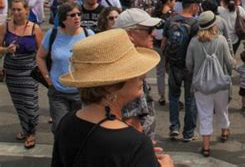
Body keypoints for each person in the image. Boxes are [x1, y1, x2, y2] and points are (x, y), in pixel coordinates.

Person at [51, 29, 173, 167]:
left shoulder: (67, 122)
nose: (143, 76)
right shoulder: (134, 143)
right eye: (133, 71)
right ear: (110, 87)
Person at [36, 2, 94, 133]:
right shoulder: (52, 34)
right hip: (58, 92)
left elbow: (97, 60)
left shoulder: (88, 34)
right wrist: (47, 78)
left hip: (82, 93)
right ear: (63, 19)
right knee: (59, 128)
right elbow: (40, 57)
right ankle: (61, 153)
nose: (77, 17)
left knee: (80, 129)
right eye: (72, 15)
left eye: (79, 14)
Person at [186, 11, 233, 157]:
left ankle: (206, 147)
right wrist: (229, 75)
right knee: (222, 109)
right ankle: (224, 131)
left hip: (201, 85)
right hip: (220, 84)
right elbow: (229, 62)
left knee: (205, 114)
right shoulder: (222, 40)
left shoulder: (194, 42)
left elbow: (188, 64)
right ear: (215, 24)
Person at [0, 0, 43, 149]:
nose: (16, 13)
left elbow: (41, 52)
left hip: (29, 72)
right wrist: (6, 50)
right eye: (14, 10)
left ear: (27, 11)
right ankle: (25, 129)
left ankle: (31, 132)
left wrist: (43, 71)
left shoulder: (34, 28)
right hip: (11, 72)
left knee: (30, 104)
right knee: (19, 104)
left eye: (19, 10)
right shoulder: (5, 27)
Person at [116, 8, 162, 141]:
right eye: (148, 30)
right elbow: (131, 121)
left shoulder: (130, 62)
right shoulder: (128, 69)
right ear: (130, 34)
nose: (153, 33)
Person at [161, 0, 201, 142]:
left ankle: (174, 127)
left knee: (173, 96)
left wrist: (166, 62)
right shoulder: (195, 24)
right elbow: (197, 48)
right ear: (193, 6)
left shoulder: (171, 20)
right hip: (190, 67)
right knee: (190, 99)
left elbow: (164, 43)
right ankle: (189, 133)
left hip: (173, 65)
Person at [153, 0, 176, 106]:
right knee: (171, 71)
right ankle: (173, 96)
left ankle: (161, 96)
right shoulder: (171, 15)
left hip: (156, 45)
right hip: (169, 46)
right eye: (174, 0)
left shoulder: (155, 12)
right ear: (169, 1)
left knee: (160, 72)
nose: (175, 3)